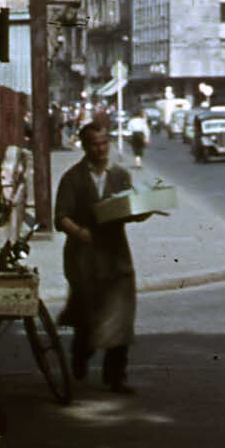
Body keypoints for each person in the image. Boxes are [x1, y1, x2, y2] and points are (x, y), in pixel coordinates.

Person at [54, 119, 151, 395]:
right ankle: (81, 352)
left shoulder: (120, 175)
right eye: (94, 145)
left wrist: (142, 211)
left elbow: (128, 210)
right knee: (88, 316)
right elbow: (60, 217)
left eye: (104, 143)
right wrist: (79, 232)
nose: (101, 149)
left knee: (121, 317)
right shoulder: (73, 178)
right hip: (83, 259)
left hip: (116, 255)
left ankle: (116, 376)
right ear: (85, 147)